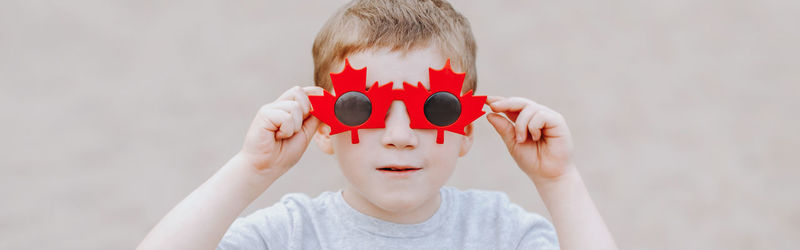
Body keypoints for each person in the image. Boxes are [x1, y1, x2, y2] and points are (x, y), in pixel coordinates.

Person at [137, 0, 617, 249]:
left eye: (438, 110)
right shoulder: (291, 232)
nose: (401, 137)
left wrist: (559, 181)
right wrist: (249, 171)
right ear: (323, 125)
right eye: (358, 109)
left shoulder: (498, 230)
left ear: (468, 126)